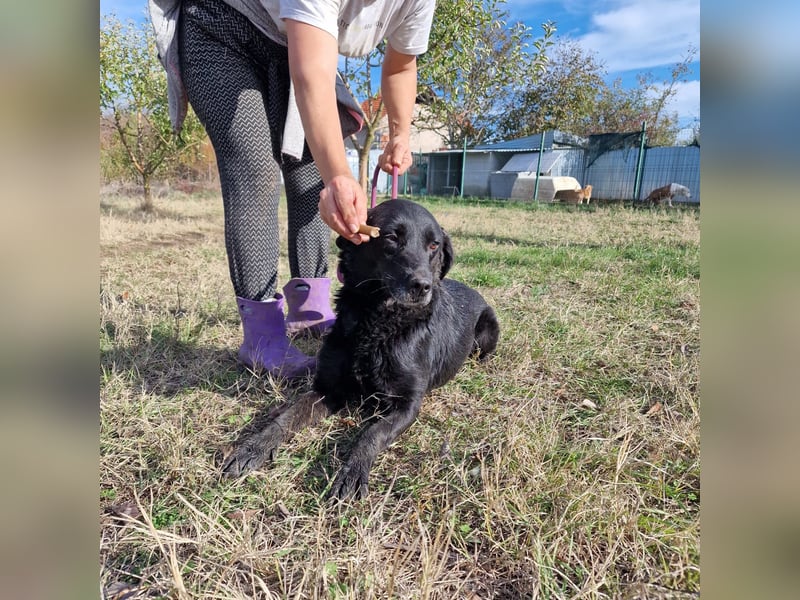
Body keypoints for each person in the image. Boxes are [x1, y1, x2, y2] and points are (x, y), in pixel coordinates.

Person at [148, 0, 436, 378]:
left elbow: (401, 63)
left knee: (310, 173)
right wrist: (339, 176)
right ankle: (262, 332)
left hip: (296, 43)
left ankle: (311, 306)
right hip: (222, 25)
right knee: (255, 169)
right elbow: (312, 75)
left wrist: (400, 135)